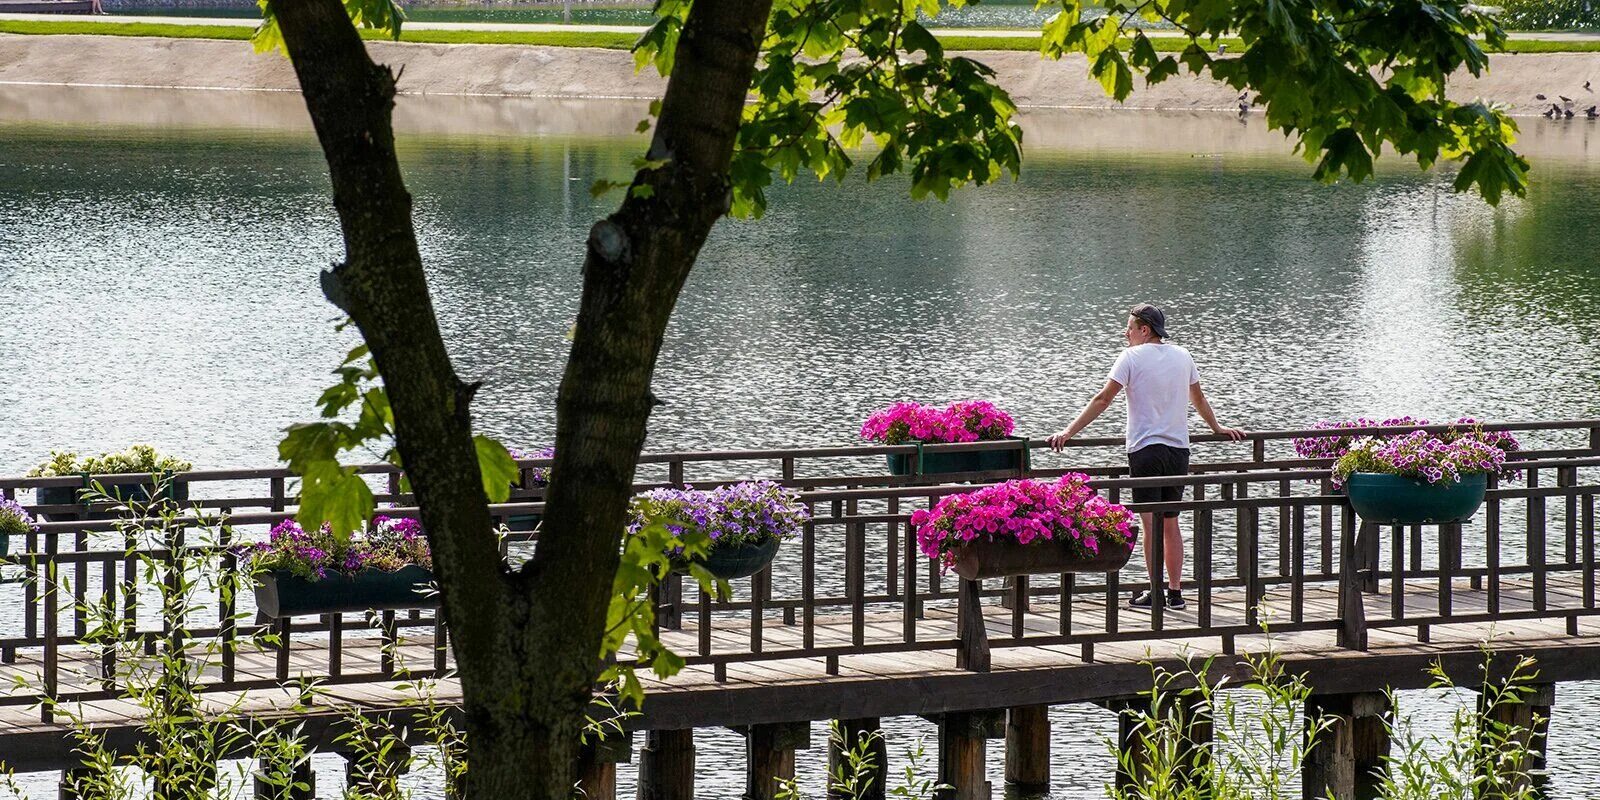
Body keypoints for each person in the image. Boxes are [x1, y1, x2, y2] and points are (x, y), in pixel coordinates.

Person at [1046, 304, 1244, 609]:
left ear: (1144, 330)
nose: (1125, 333)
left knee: (1150, 524)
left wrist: (1068, 432)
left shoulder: (1130, 357)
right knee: (1171, 523)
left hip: (1145, 450)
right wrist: (1216, 427)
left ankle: (1156, 593)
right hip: (1179, 450)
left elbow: (1103, 398)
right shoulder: (1183, 356)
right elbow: (1199, 397)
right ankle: (1176, 593)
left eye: (1129, 327)